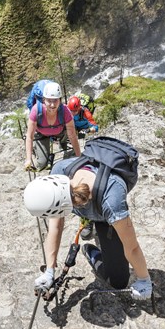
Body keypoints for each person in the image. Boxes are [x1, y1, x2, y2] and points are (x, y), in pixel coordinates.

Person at [23, 158, 152, 301]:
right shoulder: (59, 174)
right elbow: (55, 227)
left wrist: (144, 279)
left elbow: (132, 247)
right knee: (117, 279)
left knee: (118, 281)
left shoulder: (112, 200)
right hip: (87, 202)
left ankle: (91, 250)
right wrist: (49, 270)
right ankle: (87, 219)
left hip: (104, 214)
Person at [24, 82, 81, 171]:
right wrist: (28, 159)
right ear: (44, 100)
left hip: (60, 132)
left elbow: (72, 136)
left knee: (68, 143)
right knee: (42, 164)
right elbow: (29, 137)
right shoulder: (36, 110)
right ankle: (38, 149)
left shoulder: (65, 111)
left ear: (60, 100)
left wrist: (79, 157)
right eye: (49, 100)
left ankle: (63, 144)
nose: (52, 105)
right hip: (42, 135)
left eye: (55, 100)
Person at [68, 95, 99, 240]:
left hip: (84, 136)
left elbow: (95, 125)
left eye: (75, 111)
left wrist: (91, 129)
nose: (73, 114)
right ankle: (86, 219)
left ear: (79, 108)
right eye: (71, 111)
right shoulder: (67, 112)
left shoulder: (85, 112)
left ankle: (91, 220)